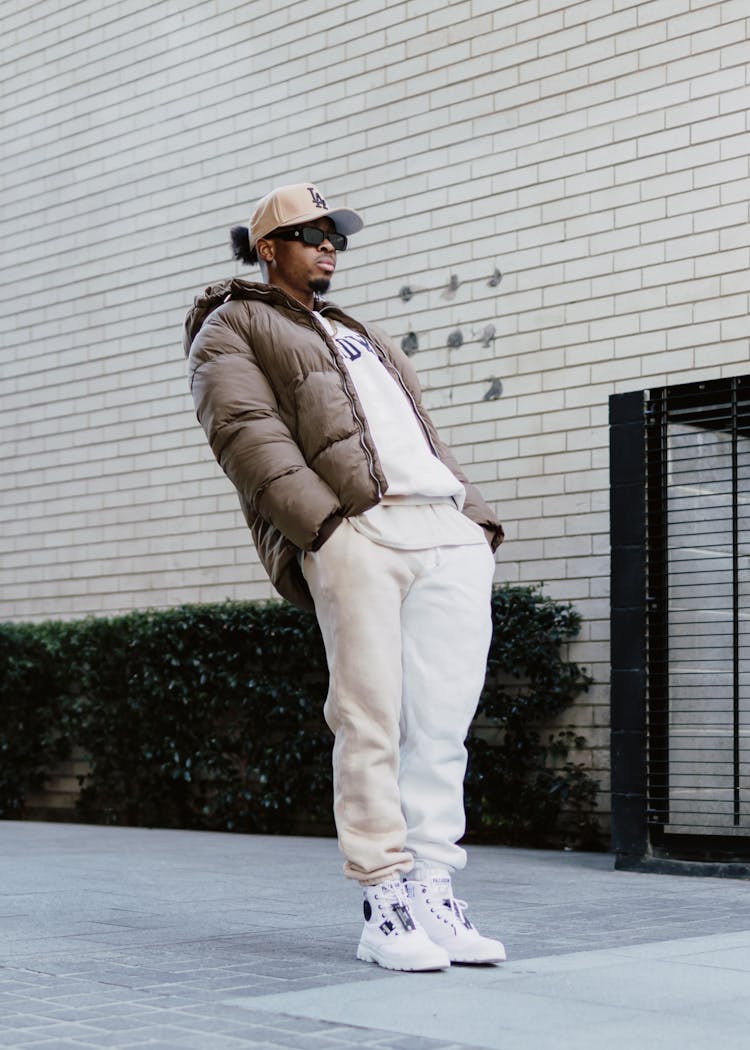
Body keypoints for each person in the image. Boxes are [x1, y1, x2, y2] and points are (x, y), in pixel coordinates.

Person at [184, 182, 506, 972]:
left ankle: (435, 888)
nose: (329, 246)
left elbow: (418, 435)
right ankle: (385, 901)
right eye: (311, 234)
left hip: (443, 530)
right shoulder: (233, 326)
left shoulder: (361, 332)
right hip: (360, 530)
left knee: (440, 726)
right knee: (370, 721)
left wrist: (476, 519)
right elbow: (245, 433)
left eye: (336, 235)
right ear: (268, 249)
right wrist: (326, 532)